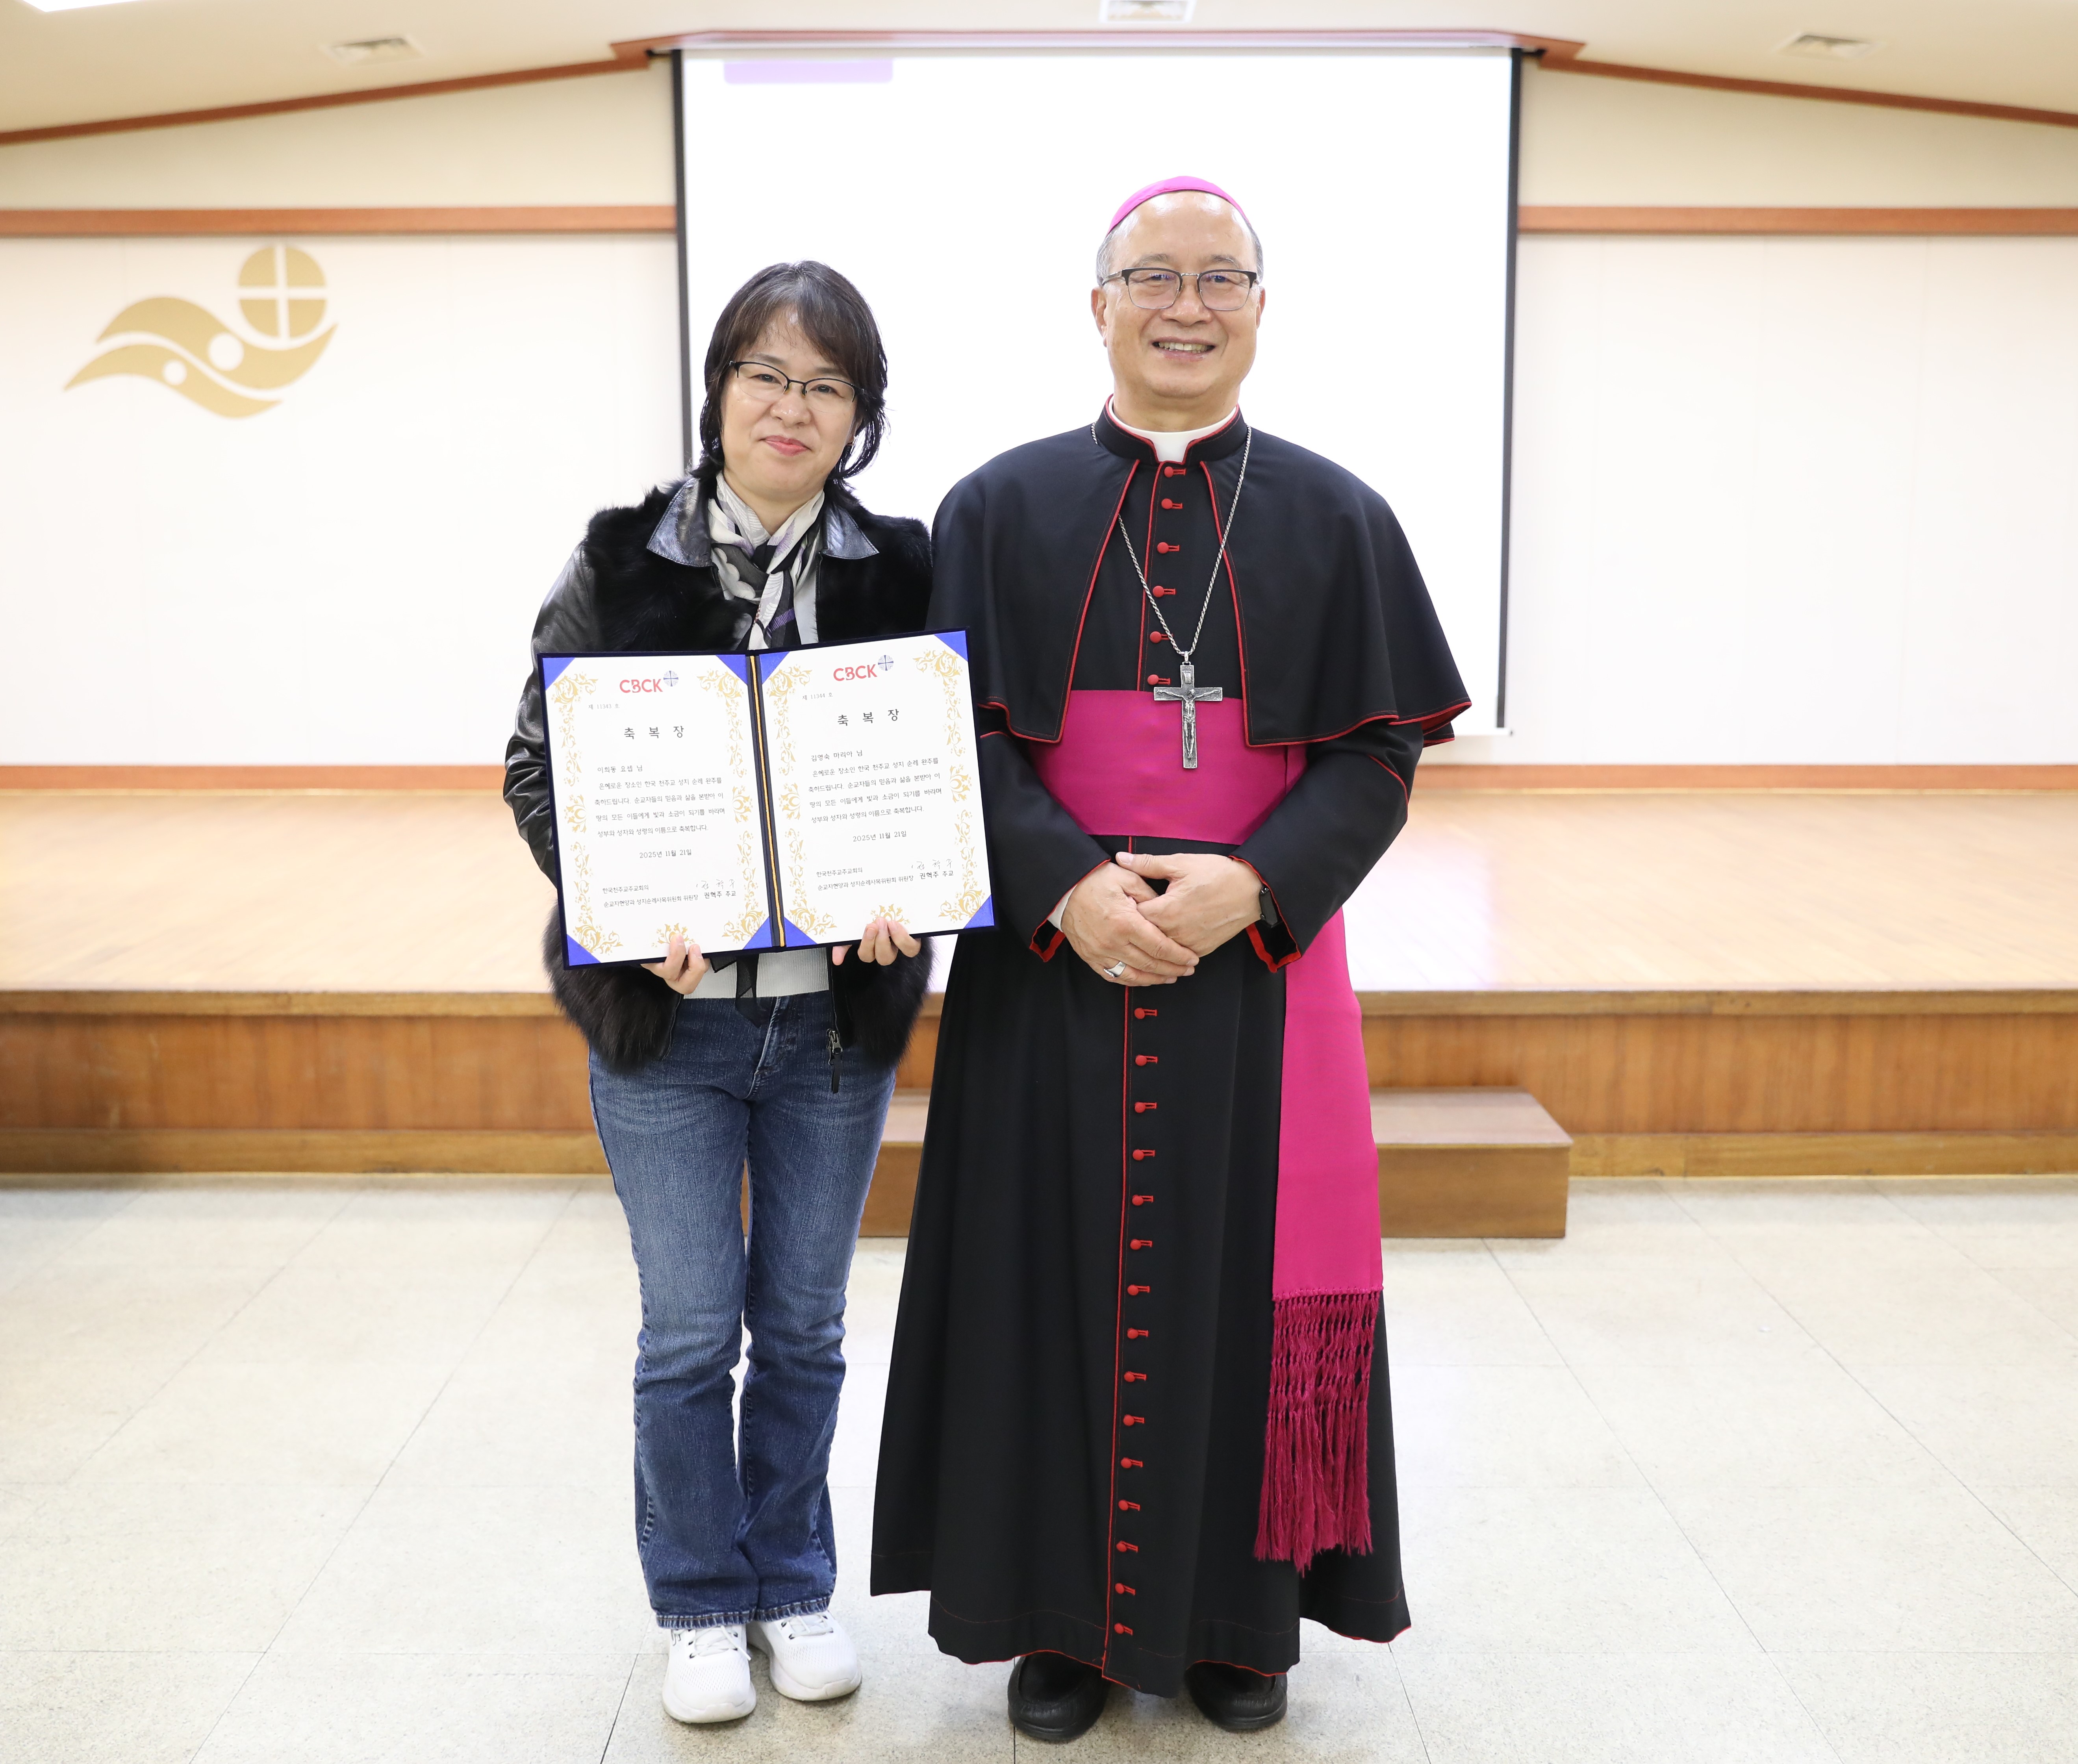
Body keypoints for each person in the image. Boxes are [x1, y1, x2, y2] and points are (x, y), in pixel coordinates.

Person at [871, 178, 1467, 1740]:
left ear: (1261, 308)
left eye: (1220, 278)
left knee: (1244, 1289)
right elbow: (954, 742)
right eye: (1154, 277)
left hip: (1256, 982)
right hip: (1048, 967)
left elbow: (1383, 751)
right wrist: (1066, 887)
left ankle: (1238, 1624)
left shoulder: (1341, 518)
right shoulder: (997, 512)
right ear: (1100, 305)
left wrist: (1254, 884)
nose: (1185, 304)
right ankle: (1054, 1620)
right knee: (1037, 1279)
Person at [504, 261, 933, 1726]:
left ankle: (795, 1579)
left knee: (806, 1326)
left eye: (828, 385)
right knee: (689, 1330)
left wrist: (914, 895)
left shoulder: (906, 571)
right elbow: (535, 766)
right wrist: (622, 918)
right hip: (666, 1024)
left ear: (861, 415)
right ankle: (699, 1601)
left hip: (834, 1021)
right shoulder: (620, 558)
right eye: (768, 374)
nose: (793, 406)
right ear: (719, 389)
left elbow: (940, 784)